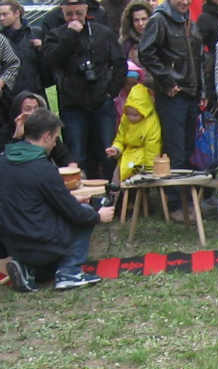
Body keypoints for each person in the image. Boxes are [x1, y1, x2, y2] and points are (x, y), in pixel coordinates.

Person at [0, 108, 116, 292]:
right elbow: (73, 212)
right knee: (86, 212)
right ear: (46, 136)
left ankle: (27, 268)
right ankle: (69, 272)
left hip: (12, 243)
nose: (55, 144)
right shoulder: (43, 168)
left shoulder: (4, 160)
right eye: (55, 138)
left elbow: (32, 202)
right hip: (39, 241)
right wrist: (98, 216)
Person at [43, 0, 124, 179]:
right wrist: (70, 35)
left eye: (78, 13)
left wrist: (112, 91)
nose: (74, 18)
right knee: (77, 155)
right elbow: (51, 61)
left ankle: (111, 195)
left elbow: (119, 63)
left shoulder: (103, 33)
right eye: (69, 14)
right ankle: (80, 199)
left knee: (108, 152)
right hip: (72, 103)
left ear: (86, 10)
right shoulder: (55, 36)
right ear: (62, 13)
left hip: (101, 100)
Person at [138, 0, 203, 221]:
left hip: (191, 92)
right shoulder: (159, 19)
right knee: (174, 149)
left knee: (187, 148)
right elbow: (146, 53)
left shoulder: (188, 20)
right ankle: (176, 204)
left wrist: (200, 89)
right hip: (173, 94)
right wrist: (167, 80)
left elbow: (198, 58)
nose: (184, 2)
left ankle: (187, 200)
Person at [105, 83, 161, 182]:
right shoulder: (125, 119)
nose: (131, 117)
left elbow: (152, 148)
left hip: (142, 159)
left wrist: (149, 169)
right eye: (129, 114)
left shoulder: (151, 123)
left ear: (144, 111)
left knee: (135, 177)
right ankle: (115, 194)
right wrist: (116, 149)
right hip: (127, 155)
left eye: (135, 115)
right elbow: (120, 138)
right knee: (116, 176)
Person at [8, 91, 77, 168]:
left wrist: (71, 164)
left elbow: (63, 155)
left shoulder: (46, 130)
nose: (32, 113)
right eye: (27, 109)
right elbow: (9, 162)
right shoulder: (7, 132)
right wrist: (17, 137)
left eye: (36, 109)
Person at [0, 0, 40, 98]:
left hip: (34, 92)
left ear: (17, 13)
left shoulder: (35, 33)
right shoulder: (1, 39)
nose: (1, 18)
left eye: (5, 14)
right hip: (8, 95)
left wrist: (42, 48)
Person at [118, 0, 152, 65]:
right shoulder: (126, 44)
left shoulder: (160, 39)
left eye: (144, 19)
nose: (140, 23)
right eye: (136, 20)